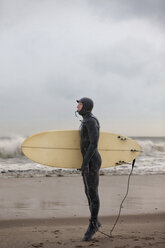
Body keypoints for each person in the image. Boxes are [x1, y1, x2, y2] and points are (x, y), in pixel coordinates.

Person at [76, 97, 102, 241]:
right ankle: (95, 220)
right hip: (87, 161)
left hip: (92, 161)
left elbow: (93, 144)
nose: (78, 106)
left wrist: (85, 163)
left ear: (85, 106)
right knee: (88, 192)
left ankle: (93, 224)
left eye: (80, 104)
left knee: (93, 193)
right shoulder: (85, 120)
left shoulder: (91, 121)